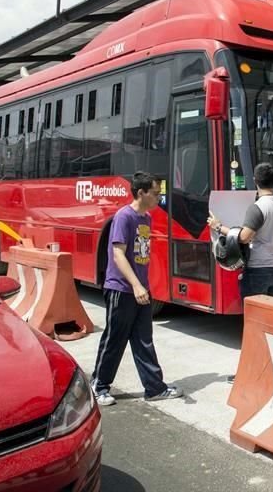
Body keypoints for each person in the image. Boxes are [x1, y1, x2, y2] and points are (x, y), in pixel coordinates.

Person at [91, 172, 183, 406]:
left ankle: (154, 388)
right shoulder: (124, 217)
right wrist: (136, 285)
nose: (159, 198)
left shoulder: (146, 218)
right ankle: (99, 385)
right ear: (141, 193)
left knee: (144, 339)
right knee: (114, 339)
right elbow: (118, 253)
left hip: (140, 290)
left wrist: (143, 286)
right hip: (121, 289)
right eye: (155, 193)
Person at [208, 163, 273, 384]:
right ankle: (271, 370)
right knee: (272, 323)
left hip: (258, 271)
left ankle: (249, 373)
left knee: (254, 325)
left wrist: (219, 227)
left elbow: (244, 237)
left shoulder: (258, 207)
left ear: (255, 181)